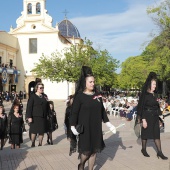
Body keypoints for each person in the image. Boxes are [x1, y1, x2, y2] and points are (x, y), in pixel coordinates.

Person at [70, 66, 116, 170]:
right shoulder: (79, 96)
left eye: (94, 82)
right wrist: (72, 126)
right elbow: (74, 113)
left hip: (96, 127)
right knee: (86, 152)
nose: (93, 84)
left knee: (94, 150)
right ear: (85, 82)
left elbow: (102, 111)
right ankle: (81, 164)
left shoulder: (98, 95)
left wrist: (109, 124)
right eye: (90, 82)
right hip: (85, 128)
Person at [136, 72, 168, 160]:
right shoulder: (145, 95)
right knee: (145, 134)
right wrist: (143, 119)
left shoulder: (154, 94)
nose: (155, 86)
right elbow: (141, 107)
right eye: (154, 84)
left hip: (154, 117)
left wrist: (160, 117)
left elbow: (156, 106)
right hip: (146, 116)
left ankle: (159, 152)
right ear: (149, 84)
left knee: (157, 135)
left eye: (155, 84)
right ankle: (143, 149)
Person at [26, 82, 50, 147]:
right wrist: (29, 117)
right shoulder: (33, 96)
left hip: (43, 116)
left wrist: (49, 114)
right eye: (40, 88)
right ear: (37, 88)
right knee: (34, 131)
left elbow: (47, 105)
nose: (42, 89)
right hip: (35, 116)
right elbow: (29, 107)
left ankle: (40, 143)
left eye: (43, 88)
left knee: (42, 131)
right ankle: (33, 143)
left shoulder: (44, 96)